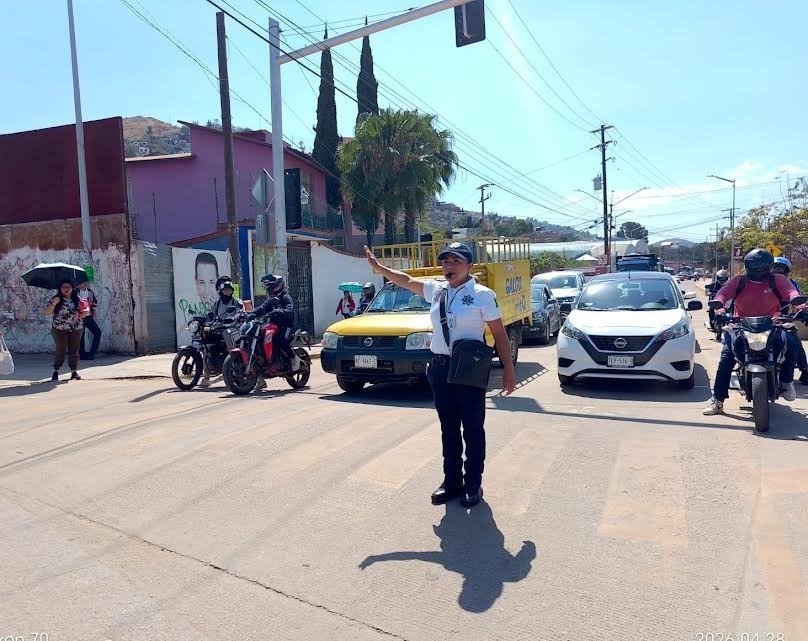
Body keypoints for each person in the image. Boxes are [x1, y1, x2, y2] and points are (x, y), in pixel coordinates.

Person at [364, 243, 516, 508]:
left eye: (456, 261)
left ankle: (472, 484)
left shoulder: (483, 294)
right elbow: (407, 280)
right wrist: (379, 268)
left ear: (469, 265)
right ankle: (452, 481)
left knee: (472, 427)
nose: (449, 266)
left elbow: (500, 334)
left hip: (468, 369)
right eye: (445, 262)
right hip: (440, 367)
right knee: (449, 428)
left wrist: (508, 371)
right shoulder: (437, 291)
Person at [703, 249, 805, 415]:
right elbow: (723, 294)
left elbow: (791, 292)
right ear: (748, 266)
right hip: (741, 325)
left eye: (762, 267)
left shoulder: (778, 280)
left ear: (769, 267)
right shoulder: (738, 281)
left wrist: (799, 304)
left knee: (792, 343)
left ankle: (786, 381)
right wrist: (719, 305)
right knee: (726, 358)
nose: (758, 271)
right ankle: (718, 401)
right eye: (754, 267)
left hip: (773, 324)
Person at [248, 274, 300, 381]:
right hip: (273, 326)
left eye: (269, 285)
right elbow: (261, 308)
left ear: (277, 285)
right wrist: (250, 314)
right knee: (261, 338)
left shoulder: (285, 297)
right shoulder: (271, 300)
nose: (268, 288)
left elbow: (290, 310)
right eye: (266, 286)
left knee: (279, 339)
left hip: (286, 326)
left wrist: (279, 311)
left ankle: (293, 358)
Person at [771, 256, 808, 384]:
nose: (778, 272)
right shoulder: (762, 283)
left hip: (784, 319)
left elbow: (797, 299)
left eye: (781, 270)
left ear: (786, 271)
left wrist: (803, 310)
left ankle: (804, 370)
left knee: (794, 341)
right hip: (761, 319)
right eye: (775, 269)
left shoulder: (792, 284)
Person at [45, 280, 88, 382]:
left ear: (72, 288)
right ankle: (56, 371)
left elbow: (85, 308)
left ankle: (74, 371)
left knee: (74, 351)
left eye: (68, 287)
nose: (66, 289)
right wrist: (53, 304)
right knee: (61, 350)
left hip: (76, 328)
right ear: (60, 289)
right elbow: (47, 312)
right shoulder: (56, 299)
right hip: (59, 329)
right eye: (64, 287)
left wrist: (85, 312)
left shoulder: (77, 298)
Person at [77, 281, 101, 360]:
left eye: (86, 283)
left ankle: (92, 353)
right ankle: (82, 354)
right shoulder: (75, 292)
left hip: (88, 316)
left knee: (97, 332)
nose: (85, 285)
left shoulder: (90, 292)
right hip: (80, 317)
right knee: (81, 336)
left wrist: (91, 304)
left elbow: (95, 303)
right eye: (83, 283)